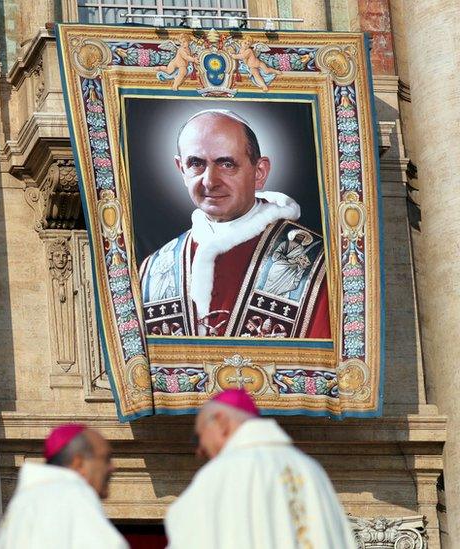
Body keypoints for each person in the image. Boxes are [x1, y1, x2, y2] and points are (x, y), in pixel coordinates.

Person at [138, 109, 330, 338]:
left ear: (259, 172)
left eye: (226, 164)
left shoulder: (319, 262)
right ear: (181, 169)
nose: (210, 181)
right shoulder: (153, 269)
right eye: (196, 164)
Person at [164, 390, 357, 548]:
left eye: (198, 437)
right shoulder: (311, 470)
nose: (199, 450)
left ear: (222, 422)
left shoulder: (220, 475)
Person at [0, 424, 125, 549]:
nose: (112, 468)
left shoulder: (22, 506)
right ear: (78, 463)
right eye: (106, 459)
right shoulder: (72, 496)